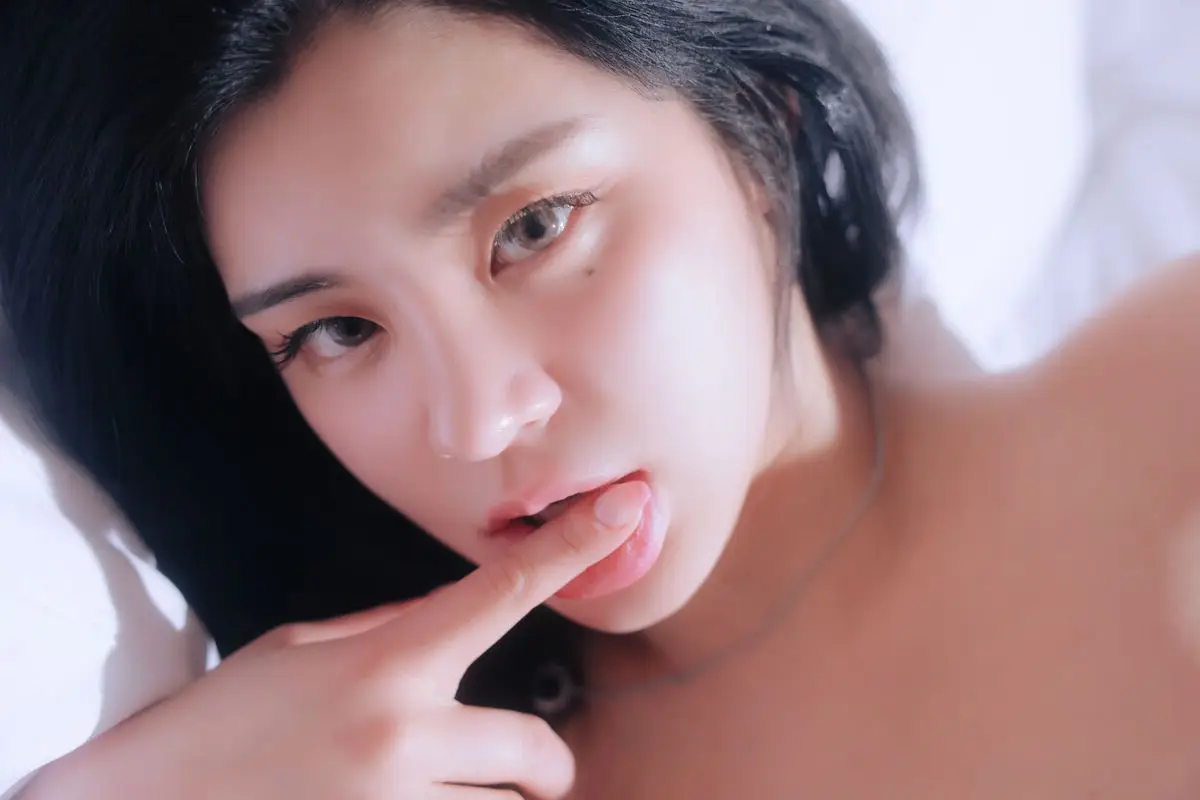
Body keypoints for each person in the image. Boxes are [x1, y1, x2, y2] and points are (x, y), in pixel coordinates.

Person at [1, 0, 1198, 797]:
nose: (477, 419)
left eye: (533, 227)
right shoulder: (377, 763)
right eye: (339, 330)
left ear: (759, 119)